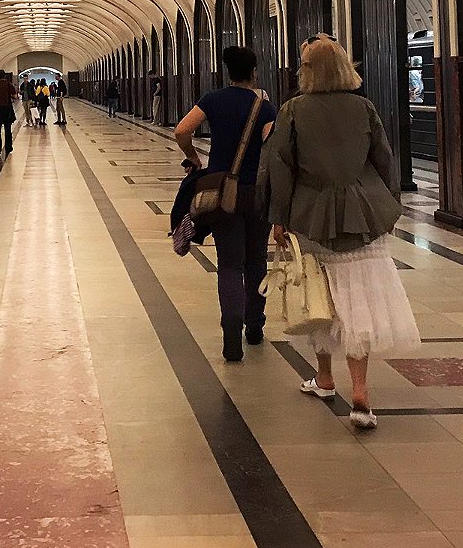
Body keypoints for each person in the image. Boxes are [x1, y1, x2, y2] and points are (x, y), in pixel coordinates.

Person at [265, 36, 419, 430]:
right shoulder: (363, 107)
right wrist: (390, 204)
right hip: (362, 214)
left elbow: (281, 167)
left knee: (320, 292)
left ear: (309, 72)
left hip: (311, 212)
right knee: (358, 298)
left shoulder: (293, 110)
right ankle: (362, 392)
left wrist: (278, 218)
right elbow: (384, 160)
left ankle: (325, 377)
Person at [175, 46, 277, 363]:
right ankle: (255, 326)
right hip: (257, 193)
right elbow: (271, 148)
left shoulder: (213, 100)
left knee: (230, 265)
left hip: (223, 193)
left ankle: (231, 336)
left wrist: (193, 158)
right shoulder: (264, 106)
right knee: (256, 261)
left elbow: (182, 129)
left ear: (227, 71)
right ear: (254, 72)